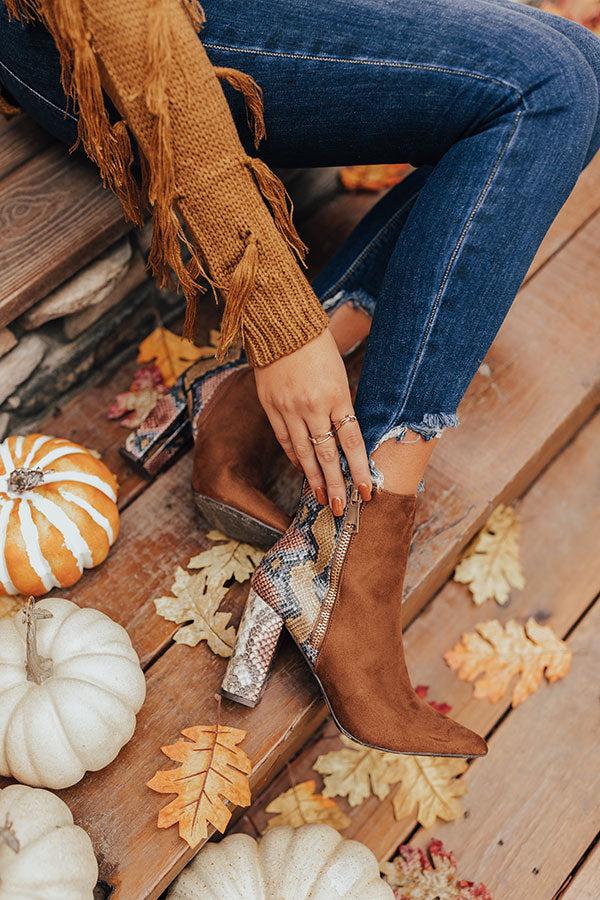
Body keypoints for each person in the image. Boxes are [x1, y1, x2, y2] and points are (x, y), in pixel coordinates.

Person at [2, 0, 598, 758]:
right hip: (96, 39)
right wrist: (279, 325)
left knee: (583, 66)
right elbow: (129, 25)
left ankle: (240, 401)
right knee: (547, 91)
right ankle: (354, 547)